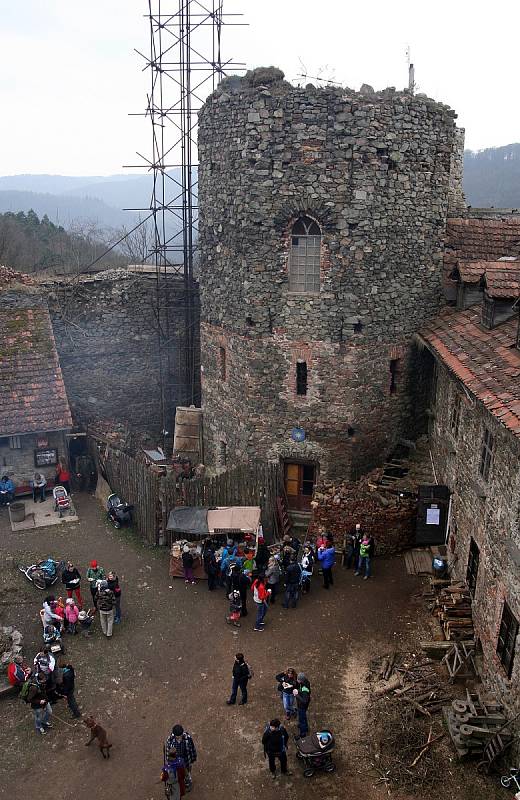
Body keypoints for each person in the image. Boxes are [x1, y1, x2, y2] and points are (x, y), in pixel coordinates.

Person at [165, 725, 197, 791]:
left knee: (187, 773)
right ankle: (180, 783)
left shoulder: (187, 738)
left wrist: (193, 758)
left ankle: (188, 783)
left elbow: (192, 748)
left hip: (186, 760)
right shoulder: (170, 740)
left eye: (180, 736)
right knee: (178, 773)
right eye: (177, 737)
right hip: (176, 761)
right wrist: (169, 762)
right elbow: (168, 753)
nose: (179, 738)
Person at [293, 672, 311, 738]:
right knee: (303, 716)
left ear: (301, 680)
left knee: (301, 719)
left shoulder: (305, 688)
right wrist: (298, 691)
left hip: (302, 706)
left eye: (298, 679)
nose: (297, 680)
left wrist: (296, 694)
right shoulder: (306, 681)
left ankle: (302, 734)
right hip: (303, 704)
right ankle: (305, 727)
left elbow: (304, 701)